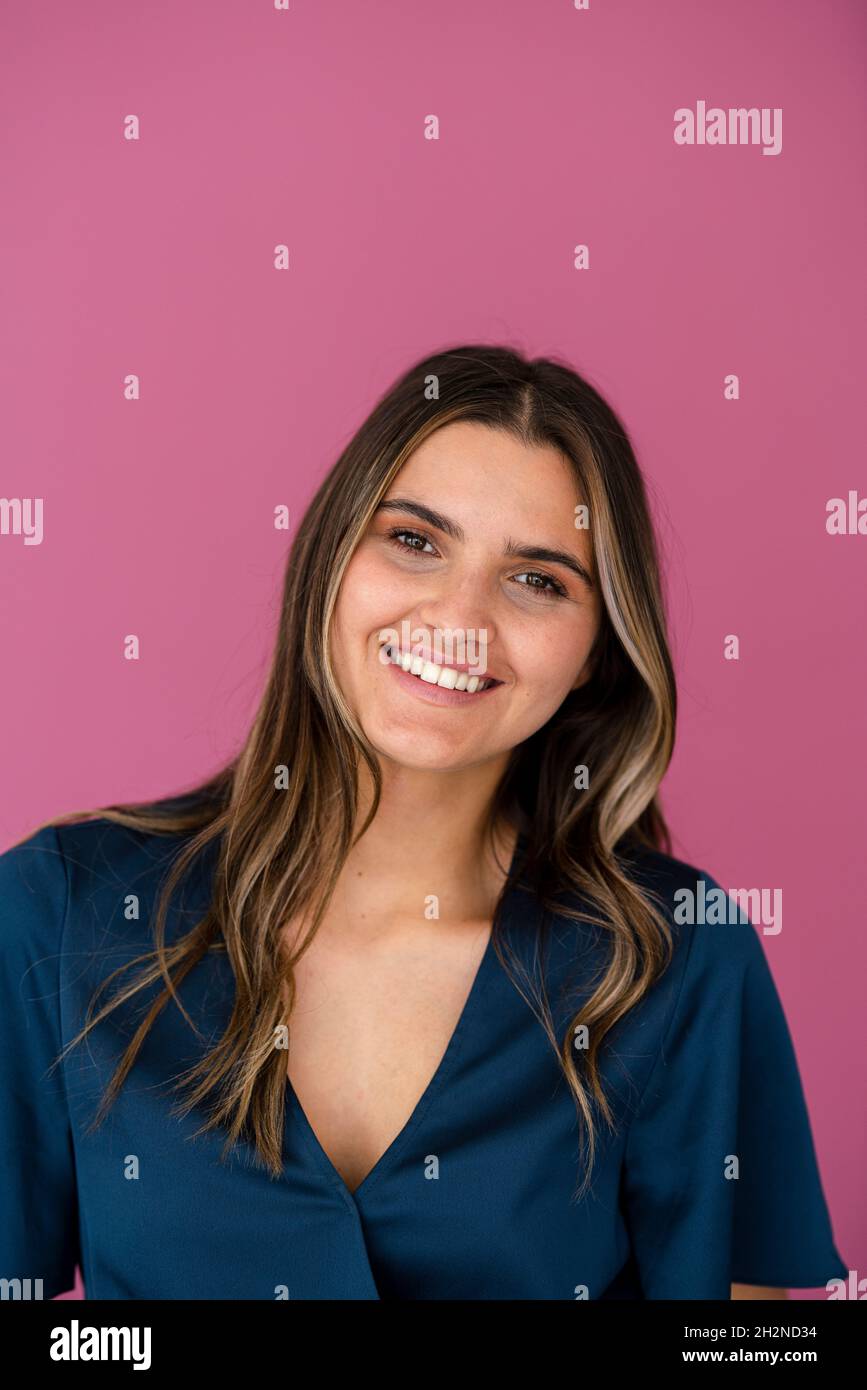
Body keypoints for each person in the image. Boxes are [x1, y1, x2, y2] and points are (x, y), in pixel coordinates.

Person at [0, 345, 848, 1300]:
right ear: (330, 552)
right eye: (414, 540)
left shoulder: (673, 955)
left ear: (596, 654)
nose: (458, 618)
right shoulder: (58, 911)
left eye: (539, 580)